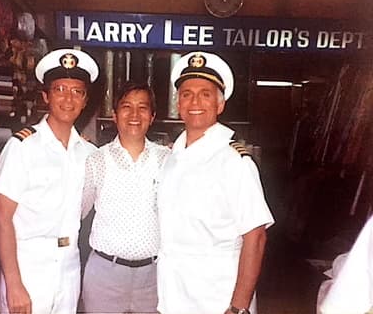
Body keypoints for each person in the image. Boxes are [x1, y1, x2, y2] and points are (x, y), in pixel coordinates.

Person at [156, 51, 275, 314]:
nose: (194, 101)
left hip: (217, 300)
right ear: (178, 103)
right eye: (187, 94)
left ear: (220, 105)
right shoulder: (172, 158)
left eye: (205, 94)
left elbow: (255, 237)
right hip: (173, 296)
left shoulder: (234, 162)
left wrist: (238, 307)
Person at [0, 48, 99, 314]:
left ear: (85, 100)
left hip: (70, 266)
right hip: (28, 266)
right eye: (60, 89)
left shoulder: (89, 153)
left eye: (77, 91)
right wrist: (14, 283)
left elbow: (84, 209)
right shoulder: (22, 147)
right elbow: (1, 218)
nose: (68, 98)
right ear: (45, 96)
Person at [81, 81, 170, 313]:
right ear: (114, 114)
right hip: (104, 275)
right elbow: (77, 213)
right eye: (126, 106)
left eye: (142, 108)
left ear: (152, 117)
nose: (134, 115)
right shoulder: (95, 161)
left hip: (153, 277)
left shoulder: (167, 160)